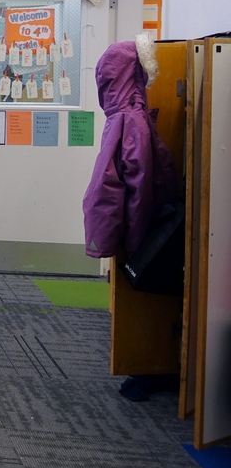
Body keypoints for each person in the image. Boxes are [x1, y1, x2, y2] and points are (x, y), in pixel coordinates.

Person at [82, 35, 180, 402]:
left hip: (141, 228)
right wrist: (137, 245)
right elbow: (133, 189)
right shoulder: (131, 120)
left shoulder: (123, 118)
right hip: (145, 231)